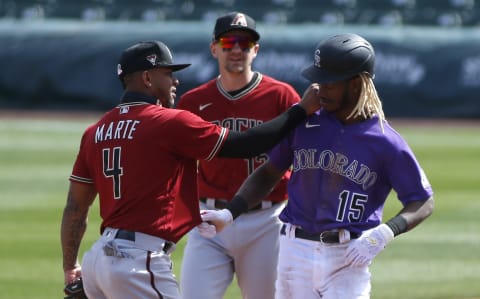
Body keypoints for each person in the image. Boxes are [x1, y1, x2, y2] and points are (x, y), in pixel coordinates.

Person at [60, 40, 321, 299]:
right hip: (138, 261)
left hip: (98, 259)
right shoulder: (168, 122)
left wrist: (71, 266)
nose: (175, 81)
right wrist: (300, 111)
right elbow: (246, 145)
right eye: (168, 73)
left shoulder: (95, 132)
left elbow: (75, 208)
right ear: (147, 78)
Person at [199, 33, 435, 299]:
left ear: (356, 84)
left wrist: (385, 233)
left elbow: (422, 200)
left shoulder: (385, 140)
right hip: (292, 253)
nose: (318, 89)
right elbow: (268, 173)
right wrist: (230, 213)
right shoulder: (305, 123)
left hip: (347, 259)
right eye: (317, 80)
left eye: (329, 83)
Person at [175, 11, 300, 299]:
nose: (236, 50)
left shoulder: (282, 96)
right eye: (228, 41)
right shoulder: (193, 102)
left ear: (255, 50)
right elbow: (179, 167)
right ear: (214, 48)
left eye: (245, 44)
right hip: (208, 221)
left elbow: (301, 157)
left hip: (266, 220)